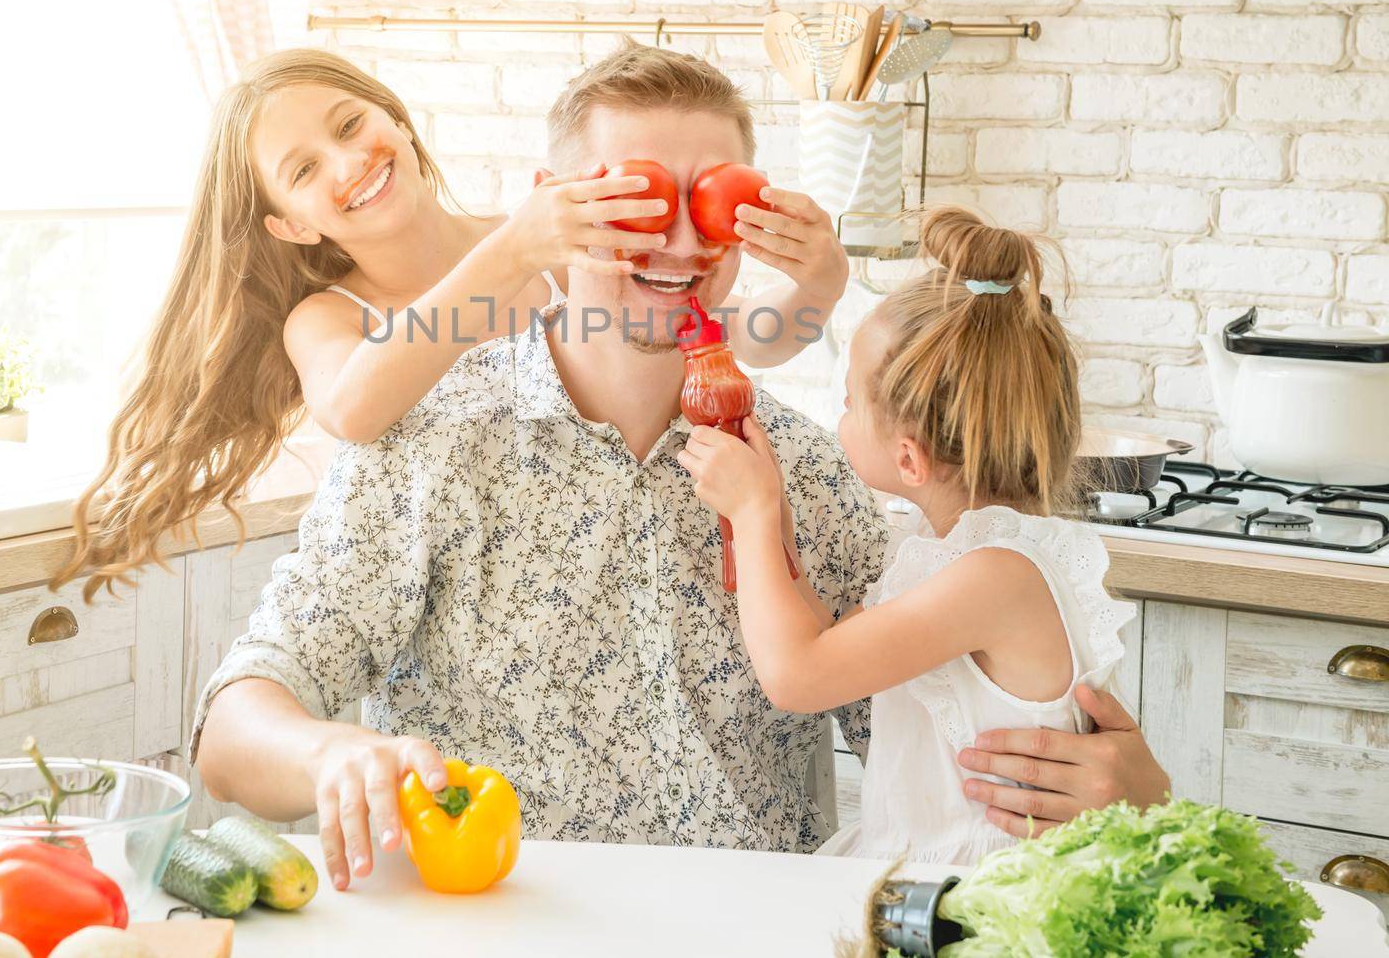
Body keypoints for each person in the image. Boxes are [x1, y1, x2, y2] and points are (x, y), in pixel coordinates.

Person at [190, 45, 1170, 890]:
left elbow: (949, 725)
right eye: (636, 200)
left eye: (716, 203)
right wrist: (335, 754)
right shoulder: (431, 448)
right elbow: (235, 729)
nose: (683, 242)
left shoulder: (811, 474)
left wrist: (1122, 785)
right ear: (555, 209)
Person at [55, 47, 849, 599]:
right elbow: (357, 407)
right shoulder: (330, 316)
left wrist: (823, 281)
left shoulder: (546, 246)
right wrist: (513, 249)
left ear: (397, 122)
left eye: (348, 126)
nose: (347, 163)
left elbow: (736, 335)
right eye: (302, 171)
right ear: (291, 225)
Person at [679, 206, 1140, 864]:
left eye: (846, 402)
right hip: (924, 866)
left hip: (974, 894)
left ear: (908, 460)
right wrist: (776, 522)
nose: (838, 418)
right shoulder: (951, 548)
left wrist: (751, 517)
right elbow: (832, 649)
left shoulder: (997, 576)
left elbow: (799, 678)